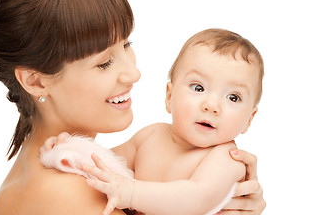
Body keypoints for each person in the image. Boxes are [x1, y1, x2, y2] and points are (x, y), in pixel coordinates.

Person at [0, 0, 265, 213]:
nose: (134, 73)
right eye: (104, 62)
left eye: (127, 44)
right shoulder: (68, 194)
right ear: (35, 81)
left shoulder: (64, 168)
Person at [41, 28, 266, 215]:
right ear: (169, 96)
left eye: (233, 97)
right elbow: (104, 164)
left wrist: (132, 193)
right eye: (198, 88)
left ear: (249, 119)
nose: (212, 106)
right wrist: (73, 149)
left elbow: (197, 197)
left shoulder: (227, 159)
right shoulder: (150, 136)